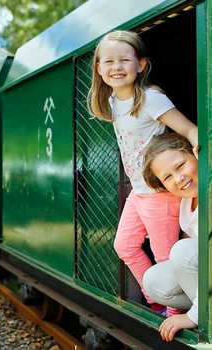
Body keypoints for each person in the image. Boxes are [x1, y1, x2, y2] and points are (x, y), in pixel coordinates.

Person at [87, 30, 198, 314]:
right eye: (109, 62)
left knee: (166, 258)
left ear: (141, 65)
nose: (117, 67)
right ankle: (159, 303)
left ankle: (175, 315)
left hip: (160, 194)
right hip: (139, 192)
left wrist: (198, 147)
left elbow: (188, 129)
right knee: (124, 246)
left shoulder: (150, 99)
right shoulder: (112, 102)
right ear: (99, 69)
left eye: (125, 59)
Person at [142, 132, 198, 342]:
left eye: (180, 165)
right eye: (167, 177)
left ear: (194, 153)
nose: (179, 179)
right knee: (153, 281)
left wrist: (192, 317)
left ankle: (204, 315)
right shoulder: (185, 202)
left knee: (183, 250)